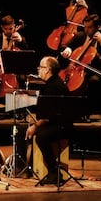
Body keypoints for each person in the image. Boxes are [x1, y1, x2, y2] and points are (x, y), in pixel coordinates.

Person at [59, 14, 101, 132]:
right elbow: (64, 46)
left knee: (94, 81)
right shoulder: (80, 36)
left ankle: (85, 112)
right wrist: (67, 49)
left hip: (96, 73)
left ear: (97, 27)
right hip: (76, 70)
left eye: (90, 27)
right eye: (85, 26)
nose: (86, 30)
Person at [26, 56, 72, 185]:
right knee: (39, 132)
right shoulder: (53, 83)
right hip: (57, 123)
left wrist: (35, 126)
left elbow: (47, 116)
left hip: (63, 126)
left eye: (41, 67)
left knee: (41, 137)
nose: (38, 69)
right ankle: (32, 167)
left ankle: (54, 172)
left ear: (48, 70)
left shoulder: (53, 87)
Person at [0, 15, 29, 100]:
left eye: (10, 29)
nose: (8, 31)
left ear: (14, 26)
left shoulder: (19, 38)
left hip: (14, 70)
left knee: (21, 78)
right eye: (5, 29)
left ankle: (17, 105)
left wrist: (21, 40)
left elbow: (27, 51)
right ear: (2, 27)